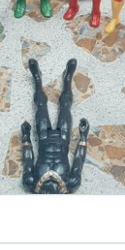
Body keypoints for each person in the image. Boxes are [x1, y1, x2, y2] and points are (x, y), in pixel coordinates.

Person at [21, 58, 89, 194]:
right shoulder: (71, 184)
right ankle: (68, 79)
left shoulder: (31, 182)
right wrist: (83, 137)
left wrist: (26, 137)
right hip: (63, 140)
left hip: (44, 139)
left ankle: (37, 80)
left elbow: (28, 159)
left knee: (40, 106)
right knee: (65, 107)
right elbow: (78, 161)